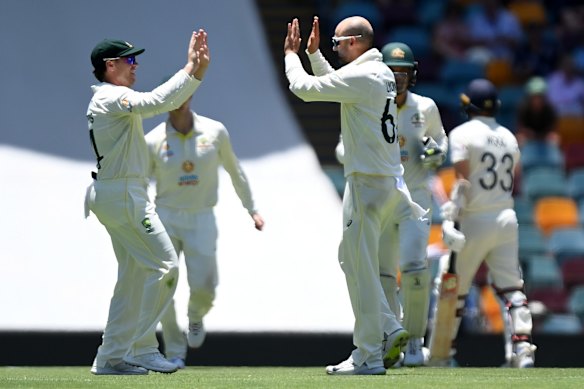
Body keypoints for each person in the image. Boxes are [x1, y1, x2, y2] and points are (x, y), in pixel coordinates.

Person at [284, 16, 427, 375]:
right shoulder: (377, 74)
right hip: (386, 184)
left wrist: (291, 55)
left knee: (360, 269)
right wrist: (315, 54)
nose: (334, 49)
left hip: (368, 185)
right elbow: (335, 83)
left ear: (353, 43)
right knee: (350, 259)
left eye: (336, 44)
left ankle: (368, 355)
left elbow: (306, 89)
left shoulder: (365, 77)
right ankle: (389, 327)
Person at [85, 31, 210, 375]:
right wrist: (192, 69)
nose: (135, 65)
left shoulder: (110, 97)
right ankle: (140, 347)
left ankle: (110, 356)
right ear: (110, 66)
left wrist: (194, 73)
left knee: (133, 278)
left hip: (116, 193)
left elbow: (161, 102)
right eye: (129, 60)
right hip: (124, 196)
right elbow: (158, 102)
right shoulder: (112, 97)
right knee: (166, 267)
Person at [336, 42, 448, 367]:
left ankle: (414, 342)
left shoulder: (425, 107)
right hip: (384, 194)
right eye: (393, 71)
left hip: (415, 196)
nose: (398, 78)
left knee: (414, 270)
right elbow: (345, 146)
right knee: (383, 273)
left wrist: (436, 152)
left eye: (404, 72)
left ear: (412, 75)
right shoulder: (369, 99)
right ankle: (390, 340)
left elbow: (441, 138)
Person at [145, 87, 265, 369]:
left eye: (182, 95)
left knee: (206, 284)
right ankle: (174, 349)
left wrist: (252, 208)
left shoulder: (214, 131)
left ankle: (196, 314)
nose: (178, 102)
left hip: (202, 216)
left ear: (190, 96)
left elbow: (235, 170)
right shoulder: (153, 140)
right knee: (164, 286)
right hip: (166, 216)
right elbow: (140, 182)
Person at [440, 78, 537, 368]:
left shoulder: (462, 133)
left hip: (474, 218)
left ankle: (445, 352)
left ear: (468, 104)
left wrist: (450, 217)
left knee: (453, 287)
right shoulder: (509, 136)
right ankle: (522, 352)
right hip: (506, 218)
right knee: (511, 288)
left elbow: (463, 182)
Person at [516, 76, 558, 145]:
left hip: (544, 136)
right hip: (528, 136)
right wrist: (529, 133)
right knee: (519, 138)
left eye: (540, 96)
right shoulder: (523, 108)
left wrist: (543, 135)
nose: (537, 100)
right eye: (534, 96)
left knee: (555, 138)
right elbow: (520, 127)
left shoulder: (550, 109)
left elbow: (552, 129)